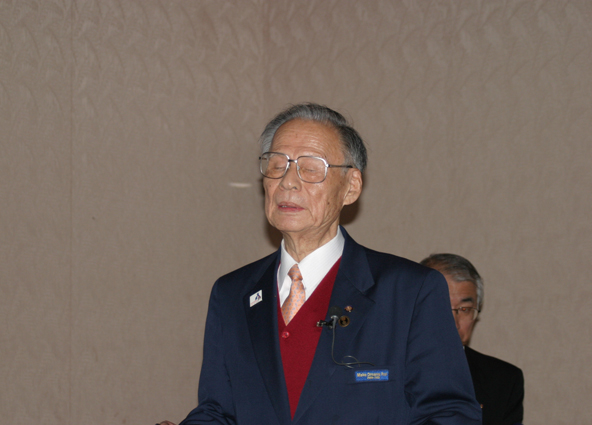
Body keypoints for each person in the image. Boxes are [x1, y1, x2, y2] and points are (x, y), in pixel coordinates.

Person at [163, 103, 481, 424]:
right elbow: (218, 412)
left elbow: (449, 414)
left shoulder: (410, 292)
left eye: (311, 168)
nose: (288, 182)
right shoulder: (231, 293)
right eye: (277, 165)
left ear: (351, 187)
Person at [420, 253, 524, 425]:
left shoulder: (503, 380)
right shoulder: (387, 371)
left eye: (465, 309)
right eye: (441, 306)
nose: (453, 323)